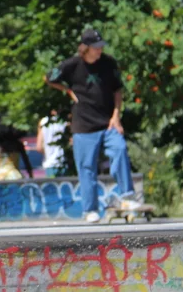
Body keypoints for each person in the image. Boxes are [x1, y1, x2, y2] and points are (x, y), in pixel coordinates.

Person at [44, 27, 142, 222]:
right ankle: (91, 210)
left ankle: (127, 196)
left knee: (120, 149)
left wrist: (116, 116)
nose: (99, 51)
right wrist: (67, 90)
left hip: (108, 123)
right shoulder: (71, 65)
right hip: (83, 126)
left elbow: (117, 91)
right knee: (86, 167)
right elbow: (48, 77)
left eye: (100, 47)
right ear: (85, 48)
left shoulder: (109, 64)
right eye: (95, 48)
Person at [36, 106, 71, 177]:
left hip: (49, 163)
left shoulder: (43, 122)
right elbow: (71, 142)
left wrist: (48, 152)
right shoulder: (65, 122)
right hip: (63, 162)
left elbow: (39, 147)